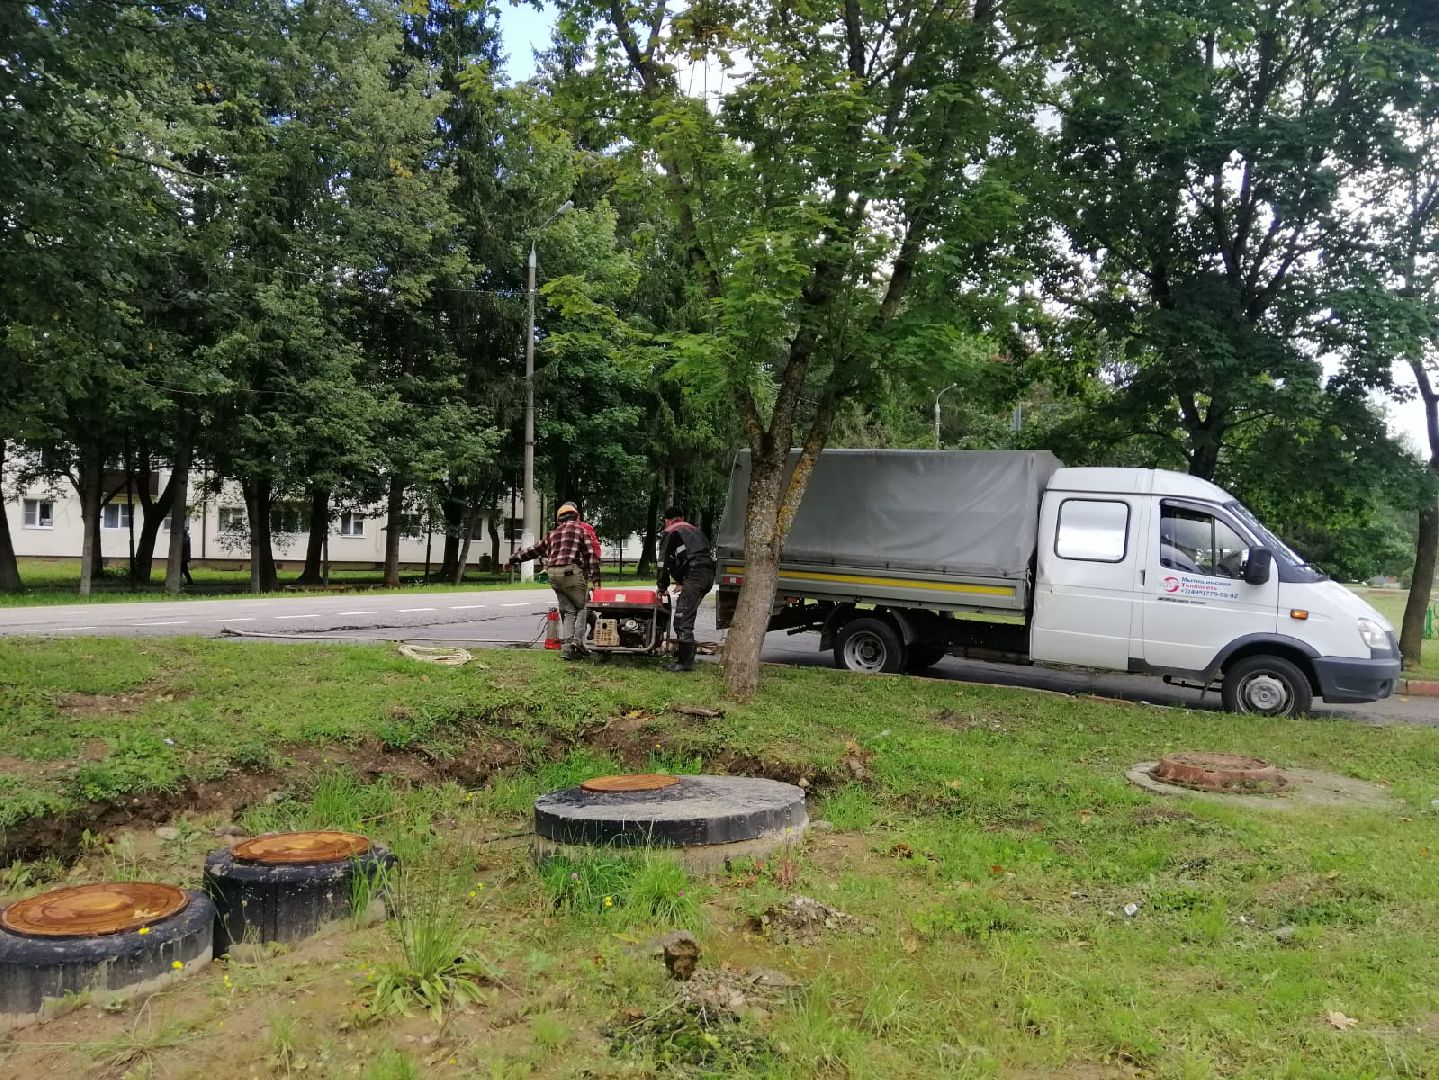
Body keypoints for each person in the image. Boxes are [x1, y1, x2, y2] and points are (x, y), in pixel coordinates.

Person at [507, 502, 599, 659]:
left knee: (569, 611)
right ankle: (577, 643)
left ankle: (568, 648)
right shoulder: (581, 530)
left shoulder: (552, 534)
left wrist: (513, 559)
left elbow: (534, 551)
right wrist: (596, 580)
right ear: (577, 517)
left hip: (553, 574)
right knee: (584, 606)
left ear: (559, 520)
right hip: (571, 573)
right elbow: (591, 556)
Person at [656, 506, 715, 673]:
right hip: (707, 574)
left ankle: (684, 663)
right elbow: (692, 556)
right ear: (682, 517)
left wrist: (661, 587)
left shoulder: (671, 531)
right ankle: (684, 658)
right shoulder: (696, 531)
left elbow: (663, 563)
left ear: (667, 520)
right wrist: (683, 581)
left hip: (695, 576)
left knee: (682, 618)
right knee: (687, 613)